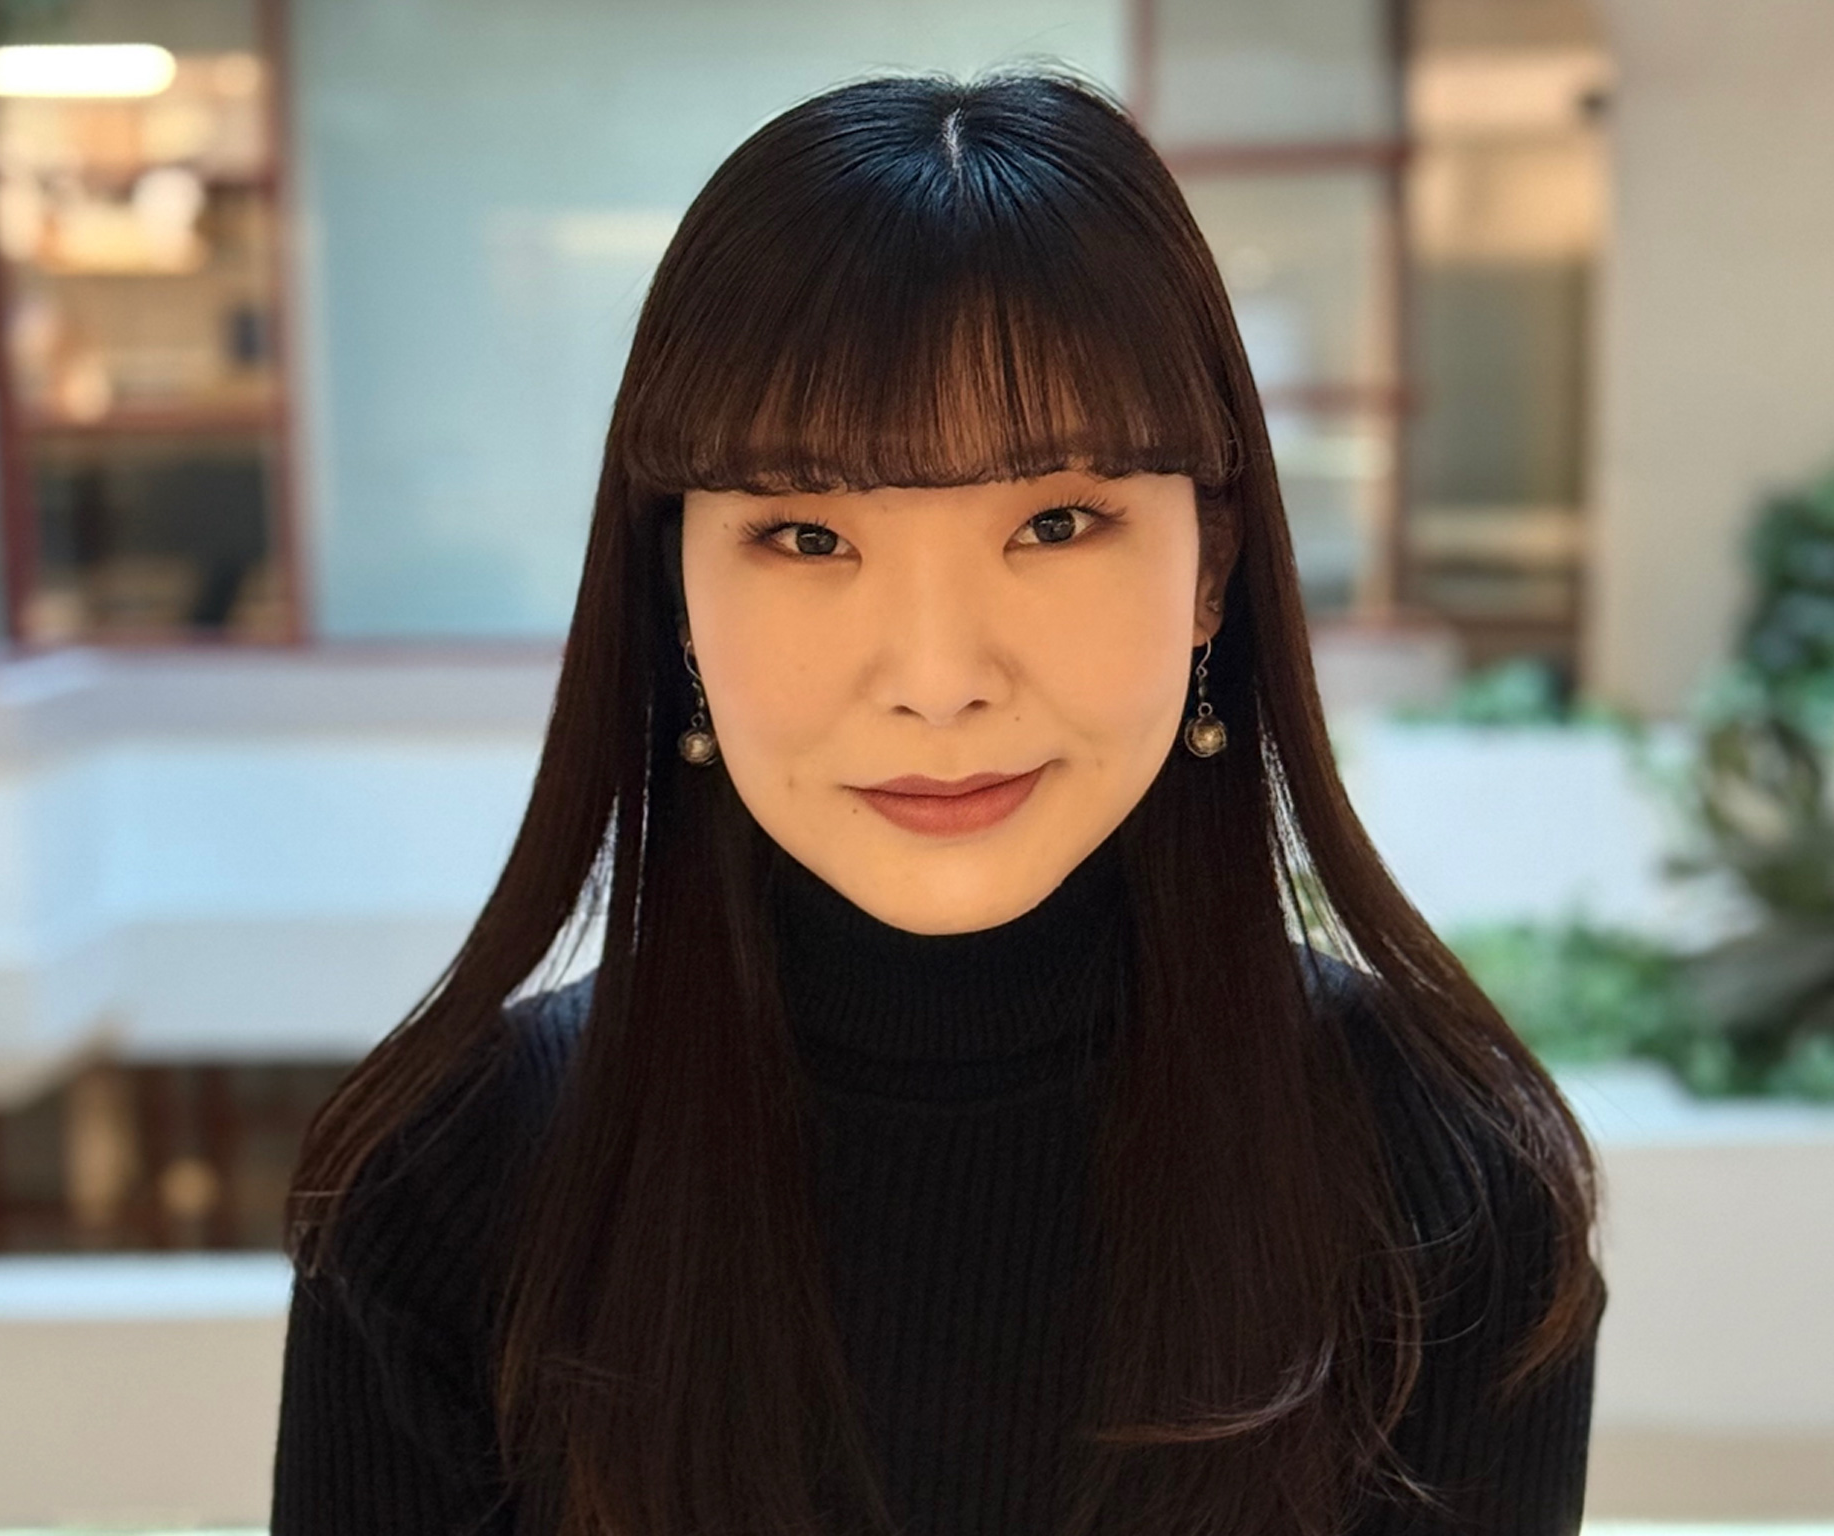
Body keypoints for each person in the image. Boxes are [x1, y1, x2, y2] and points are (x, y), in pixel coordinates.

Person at [270, 65, 1607, 1536]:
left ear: (1211, 569)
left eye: (1056, 521)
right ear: (676, 596)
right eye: (806, 535)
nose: (937, 680)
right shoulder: (447, 1198)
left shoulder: (1445, 1191)